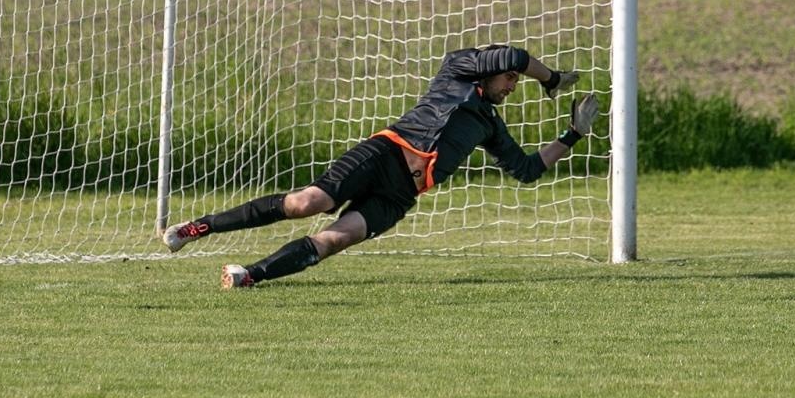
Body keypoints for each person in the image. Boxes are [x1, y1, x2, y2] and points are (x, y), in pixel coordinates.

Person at [163, 45, 599, 288]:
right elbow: (517, 55)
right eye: (509, 79)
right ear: (488, 71)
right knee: (306, 202)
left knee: (334, 239)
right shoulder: (457, 71)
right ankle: (195, 229)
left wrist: (573, 134)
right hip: (383, 153)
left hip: (399, 195)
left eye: (516, 82)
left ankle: (249, 276)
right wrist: (553, 80)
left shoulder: (490, 124)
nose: (512, 84)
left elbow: (525, 169)